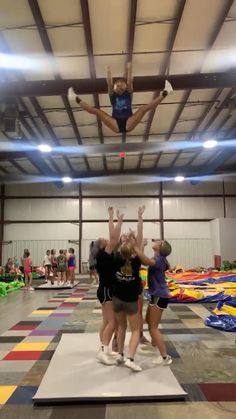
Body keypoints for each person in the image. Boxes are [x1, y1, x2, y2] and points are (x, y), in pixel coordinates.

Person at [68, 63, 173, 134]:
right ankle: (74, 98)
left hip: (128, 121)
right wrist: (108, 72)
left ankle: (166, 91)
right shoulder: (112, 95)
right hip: (116, 123)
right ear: (114, 87)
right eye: (117, 85)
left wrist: (129, 69)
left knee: (143, 109)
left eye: (122, 84)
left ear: (125, 86)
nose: (119, 86)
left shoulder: (128, 93)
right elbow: (109, 83)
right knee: (98, 112)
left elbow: (130, 82)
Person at [132, 238, 172, 365]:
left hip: (159, 295)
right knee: (149, 321)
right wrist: (140, 248)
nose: (155, 242)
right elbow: (144, 260)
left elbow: (145, 261)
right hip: (157, 294)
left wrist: (136, 246)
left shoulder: (159, 260)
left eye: (158, 242)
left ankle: (165, 357)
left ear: (160, 248)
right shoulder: (160, 259)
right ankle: (155, 344)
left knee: (153, 328)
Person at [96, 207, 124, 366]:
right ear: (102, 246)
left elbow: (114, 238)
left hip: (104, 289)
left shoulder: (106, 254)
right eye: (105, 240)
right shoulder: (103, 254)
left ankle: (103, 348)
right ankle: (103, 350)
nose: (109, 240)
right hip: (106, 289)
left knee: (107, 321)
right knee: (113, 322)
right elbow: (114, 237)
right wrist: (115, 218)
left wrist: (114, 218)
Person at [112, 239, 142, 372]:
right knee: (136, 330)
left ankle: (120, 354)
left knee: (121, 326)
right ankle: (130, 358)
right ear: (133, 252)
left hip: (117, 299)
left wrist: (120, 242)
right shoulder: (136, 262)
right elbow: (139, 249)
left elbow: (115, 248)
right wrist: (134, 242)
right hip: (130, 301)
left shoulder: (116, 261)